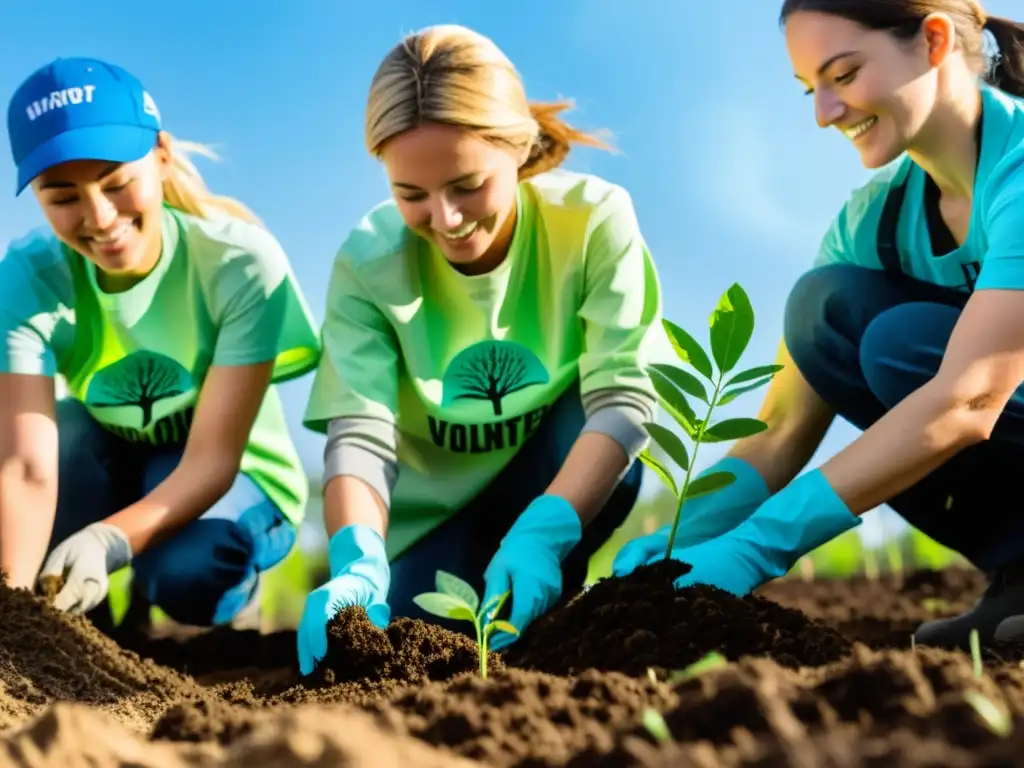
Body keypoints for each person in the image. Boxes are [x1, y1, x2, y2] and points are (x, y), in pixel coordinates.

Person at [613, 0, 1024, 650]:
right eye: (811, 89)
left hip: (975, 395)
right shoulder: (871, 223)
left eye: (844, 74)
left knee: (902, 346)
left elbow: (971, 398)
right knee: (825, 311)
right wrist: (675, 541)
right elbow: (778, 429)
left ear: (934, 41)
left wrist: (758, 547)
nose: (824, 113)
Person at [297, 24, 663, 675]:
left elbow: (626, 397)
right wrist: (356, 560)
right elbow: (360, 434)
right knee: (418, 640)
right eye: (411, 195)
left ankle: (548, 574)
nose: (446, 218)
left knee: (604, 443)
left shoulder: (591, 219)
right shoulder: (368, 259)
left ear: (519, 149)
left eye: (467, 185)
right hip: (432, 513)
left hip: (552, 478)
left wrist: (544, 533)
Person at [0, 57, 321, 630]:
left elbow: (213, 459)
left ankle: (186, 594)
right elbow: (26, 466)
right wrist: (12, 615)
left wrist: (110, 539)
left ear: (163, 156)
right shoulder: (26, 279)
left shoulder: (240, 265)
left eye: (117, 183)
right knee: (64, 435)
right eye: (63, 197)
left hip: (230, 471)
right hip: (114, 453)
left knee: (187, 571)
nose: (99, 217)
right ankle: (79, 627)